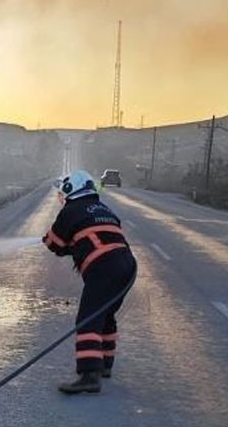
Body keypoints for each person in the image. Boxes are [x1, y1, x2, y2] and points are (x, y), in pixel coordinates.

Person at [42, 169, 137, 394]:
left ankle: (89, 375)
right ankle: (104, 365)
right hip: (128, 266)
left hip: (104, 267)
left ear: (70, 189)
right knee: (105, 315)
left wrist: (49, 239)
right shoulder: (104, 209)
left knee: (87, 319)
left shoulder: (71, 211)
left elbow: (55, 245)